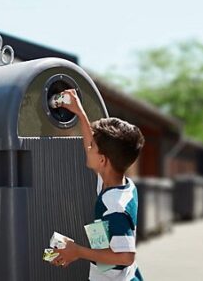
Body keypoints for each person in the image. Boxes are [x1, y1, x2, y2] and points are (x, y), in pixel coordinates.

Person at [51, 89, 145, 281]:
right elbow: (91, 143)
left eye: (92, 146)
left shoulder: (115, 207)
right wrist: (80, 112)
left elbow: (126, 256)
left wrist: (77, 251)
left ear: (102, 161)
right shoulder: (115, 181)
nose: (88, 147)